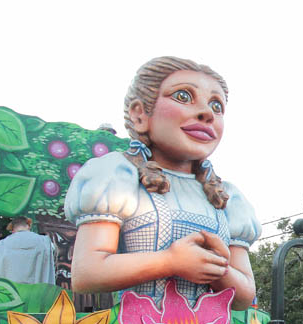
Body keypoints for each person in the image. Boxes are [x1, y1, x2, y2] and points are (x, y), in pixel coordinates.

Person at [64, 56, 260, 309]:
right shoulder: (118, 176)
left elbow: (244, 298)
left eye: (216, 106)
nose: (206, 113)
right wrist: (171, 262)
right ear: (139, 115)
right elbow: (87, 273)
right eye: (183, 96)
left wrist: (217, 268)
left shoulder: (227, 198)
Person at [0, 217, 56, 284]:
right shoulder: (44, 242)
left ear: (12, 229)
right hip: (35, 291)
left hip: (10, 291)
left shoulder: (0, 245)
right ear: (29, 226)